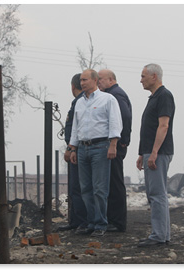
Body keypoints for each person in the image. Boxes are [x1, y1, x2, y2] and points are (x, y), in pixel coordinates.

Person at [69, 69, 122, 237]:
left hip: (100, 146)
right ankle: (90, 222)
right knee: (85, 188)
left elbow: (115, 122)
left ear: (94, 80)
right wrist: (72, 148)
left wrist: (113, 144)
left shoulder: (108, 99)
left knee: (100, 188)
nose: (82, 83)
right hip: (83, 147)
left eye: (85, 80)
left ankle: (100, 223)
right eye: (81, 80)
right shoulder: (79, 103)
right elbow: (75, 128)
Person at [136, 63, 175, 247]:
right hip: (150, 152)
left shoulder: (164, 96)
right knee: (155, 194)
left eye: (143, 76)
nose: (141, 79)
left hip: (158, 152)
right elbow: (148, 127)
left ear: (154, 76)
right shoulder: (153, 98)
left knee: (157, 194)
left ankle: (159, 235)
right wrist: (141, 153)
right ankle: (162, 234)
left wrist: (153, 152)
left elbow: (163, 126)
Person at [98, 69, 132, 232]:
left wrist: (121, 141)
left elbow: (124, 117)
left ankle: (117, 222)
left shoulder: (116, 95)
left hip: (116, 145)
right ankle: (113, 219)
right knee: (111, 182)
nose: (98, 82)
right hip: (115, 143)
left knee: (115, 182)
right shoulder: (113, 94)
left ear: (111, 80)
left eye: (101, 79)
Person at [58, 73, 87, 231]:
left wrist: (71, 148)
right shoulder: (78, 102)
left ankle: (82, 221)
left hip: (78, 150)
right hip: (75, 148)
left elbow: (76, 128)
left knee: (78, 187)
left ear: (72, 86)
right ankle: (75, 221)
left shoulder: (81, 102)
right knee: (75, 187)